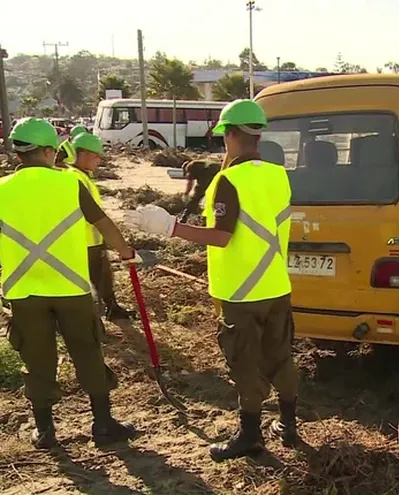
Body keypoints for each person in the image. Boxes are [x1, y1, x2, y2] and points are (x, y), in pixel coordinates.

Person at [123, 99, 299, 462]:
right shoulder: (278, 174)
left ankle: (250, 436)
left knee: (244, 362)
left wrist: (170, 226)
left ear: (230, 134)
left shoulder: (228, 180)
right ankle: (288, 426)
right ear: (258, 134)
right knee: (280, 355)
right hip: (276, 285)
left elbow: (221, 236)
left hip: (241, 291)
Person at [2, 118, 139, 449]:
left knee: (37, 358)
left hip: (24, 291)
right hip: (71, 289)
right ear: (49, 151)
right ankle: (104, 425)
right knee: (87, 351)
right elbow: (102, 222)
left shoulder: (2, 188)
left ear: (19, 152)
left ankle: (45, 431)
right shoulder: (68, 185)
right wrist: (125, 252)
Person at [67, 132, 133, 319]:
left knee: (103, 277)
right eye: (96, 155)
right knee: (93, 282)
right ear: (83, 154)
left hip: (91, 240)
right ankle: (96, 317)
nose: (99, 160)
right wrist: (122, 247)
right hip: (85, 242)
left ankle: (111, 308)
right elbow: (96, 217)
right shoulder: (75, 178)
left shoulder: (82, 176)